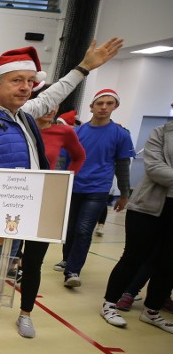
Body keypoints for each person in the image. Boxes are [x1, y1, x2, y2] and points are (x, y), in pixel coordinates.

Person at [0, 39, 124, 354]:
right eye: (17, 80)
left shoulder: (21, 115)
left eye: (30, 81)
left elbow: (50, 95)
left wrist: (84, 67)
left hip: (11, 224)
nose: (26, 87)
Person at [14, 99, 86, 338]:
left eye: (55, 106)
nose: (51, 110)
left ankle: (26, 314)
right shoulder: (18, 126)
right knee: (0, 258)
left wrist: (63, 181)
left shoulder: (64, 131)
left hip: (43, 204)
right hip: (13, 199)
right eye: (47, 105)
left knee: (34, 262)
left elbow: (78, 157)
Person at [56, 89, 134, 288]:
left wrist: (124, 194)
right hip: (73, 187)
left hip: (98, 189)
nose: (104, 107)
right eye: (100, 103)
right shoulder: (76, 132)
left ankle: (73, 271)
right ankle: (67, 259)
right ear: (92, 106)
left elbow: (123, 165)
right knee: (70, 229)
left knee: (84, 229)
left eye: (109, 103)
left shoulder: (121, 134)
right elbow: (64, 161)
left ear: (115, 107)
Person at [100, 121, 173, 333]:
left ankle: (152, 311)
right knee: (134, 257)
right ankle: (110, 303)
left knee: (169, 262)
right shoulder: (161, 133)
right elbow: (155, 169)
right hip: (147, 207)